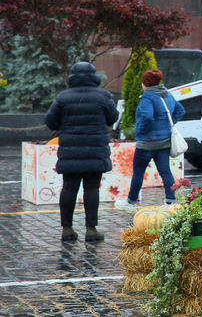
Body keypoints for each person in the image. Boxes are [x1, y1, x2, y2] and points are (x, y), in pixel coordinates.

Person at [45, 62, 119, 242]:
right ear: (94, 76)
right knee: (92, 188)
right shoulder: (102, 96)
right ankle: (91, 229)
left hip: (70, 151)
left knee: (69, 188)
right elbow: (113, 117)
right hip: (95, 150)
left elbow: (50, 122)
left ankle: (67, 229)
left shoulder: (63, 98)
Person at [115, 69, 185, 212]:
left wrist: (139, 131)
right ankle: (171, 201)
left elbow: (146, 116)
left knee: (138, 173)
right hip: (164, 142)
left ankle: (131, 201)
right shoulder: (167, 95)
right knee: (166, 172)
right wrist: (167, 125)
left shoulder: (148, 98)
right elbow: (180, 110)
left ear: (145, 83)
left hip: (146, 143)